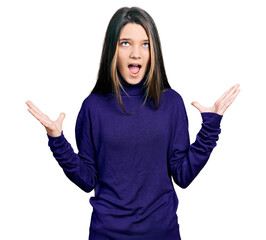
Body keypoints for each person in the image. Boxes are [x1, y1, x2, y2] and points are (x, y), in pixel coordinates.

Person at [25, 6, 240, 240]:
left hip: (162, 233)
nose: (136, 53)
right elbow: (87, 179)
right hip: (107, 233)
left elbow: (182, 175)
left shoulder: (171, 102)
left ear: (153, 51)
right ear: (112, 50)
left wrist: (210, 129)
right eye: (125, 43)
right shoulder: (93, 107)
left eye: (145, 44)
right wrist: (57, 141)